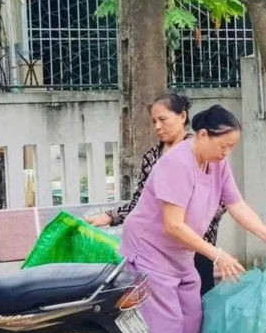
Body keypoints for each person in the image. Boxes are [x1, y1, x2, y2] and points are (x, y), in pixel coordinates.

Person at [119, 105, 266, 333]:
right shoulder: (175, 163)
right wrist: (217, 255)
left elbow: (236, 204)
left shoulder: (217, 163)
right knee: (168, 322)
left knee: (192, 318)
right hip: (150, 250)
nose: (227, 153)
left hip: (180, 255)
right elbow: (172, 225)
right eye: (224, 145)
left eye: (232, 148)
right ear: (204, 135)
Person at [86, 93, 224, 297]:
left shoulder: (202, 151)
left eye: (163, 119)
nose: (157, 126)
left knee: (199, 305)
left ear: (182, 116)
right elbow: (140, 201)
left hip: (195, 245)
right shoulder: (151, 157)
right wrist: (108, 217)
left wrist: (184, 217)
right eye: (153, 122)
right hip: (157, 249)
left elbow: (221, 199)